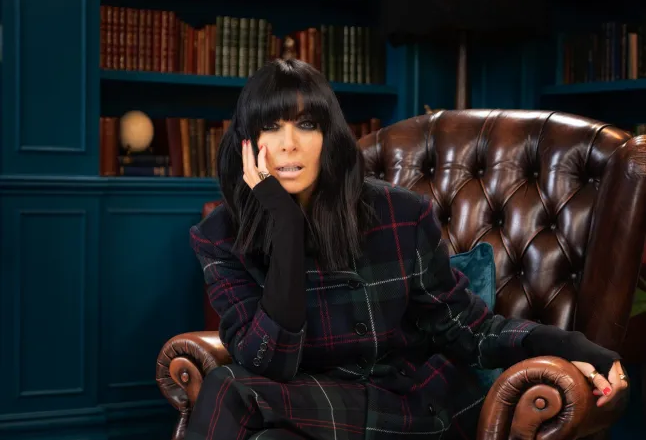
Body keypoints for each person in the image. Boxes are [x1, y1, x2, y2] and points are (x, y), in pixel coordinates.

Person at [185, 59, 628, 440]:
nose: (288, 144)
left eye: (306, 125)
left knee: (228, 388)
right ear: (246, 142)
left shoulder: (398, 213)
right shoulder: (219, 237)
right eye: (270, 126)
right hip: (308, 403)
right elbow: (269, 362)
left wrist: (566, 344)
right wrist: (285, 227)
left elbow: (464, 328)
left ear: (329, 136)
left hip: (405, 401)